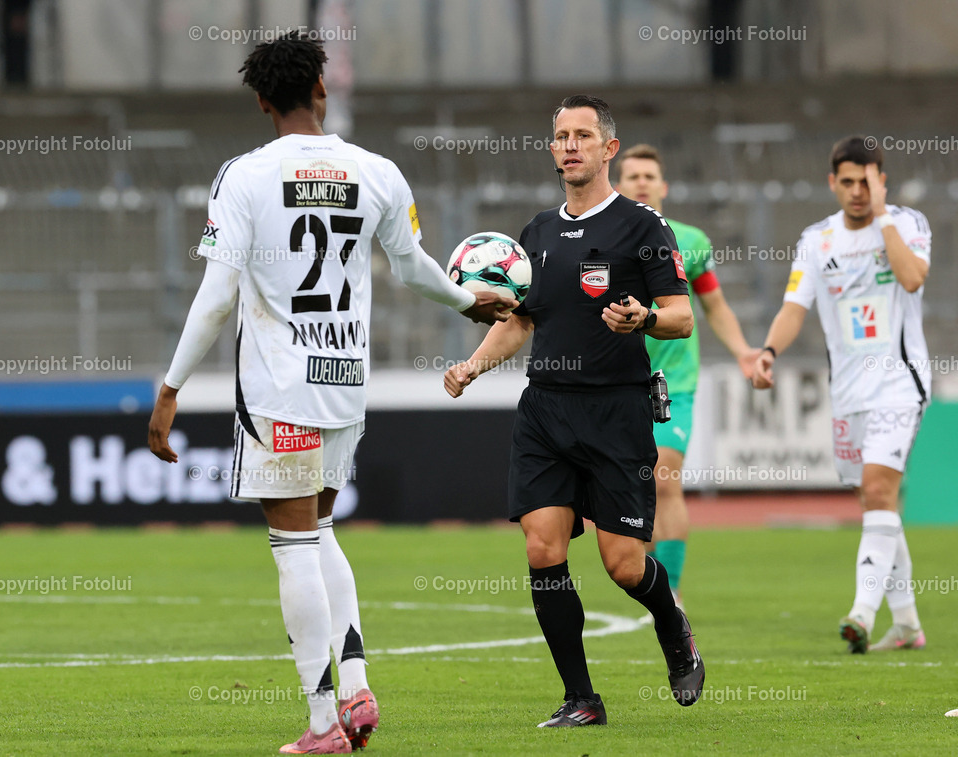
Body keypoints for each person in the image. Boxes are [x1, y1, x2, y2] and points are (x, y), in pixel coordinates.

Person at [147, 32, 512, 755]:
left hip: (280, 389)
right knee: (319, 531)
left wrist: (170, 386)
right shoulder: (376, 171)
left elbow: (218, 296)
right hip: (345, 382)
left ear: (260, 101)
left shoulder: (243, 177)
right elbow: (414, 269)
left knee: (291, 547)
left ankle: (322, 728)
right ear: (321, 88)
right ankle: (355, 684)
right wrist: (469, 300)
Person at [444, 95, 705, 727]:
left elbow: (682, 315)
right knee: (541, 549)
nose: (569, 145)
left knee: (622, 564)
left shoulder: (644, 227)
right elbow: (521, 321)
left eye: (582, 136)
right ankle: (581, 698)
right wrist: (474, 365)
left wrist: (644, 316)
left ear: (608, 148)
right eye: (561, 136)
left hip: (616, 413)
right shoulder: (535, 235)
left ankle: (672, 623)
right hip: (545, 412)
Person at [752, 136, 930, 654]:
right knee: (876, 502)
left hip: (900, 383)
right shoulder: (817, 240)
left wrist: (883, 219)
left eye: (867, 181)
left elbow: (913, 278)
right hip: (848, 392)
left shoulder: (908, 224)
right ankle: (908, 625)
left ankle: (861, 614)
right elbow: (793, 308)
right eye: (848, 181)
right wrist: (768, 351)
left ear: (882, 180)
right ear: (833, 182)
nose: (857, 191)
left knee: (878, 491)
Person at [615, 145, 760, 618]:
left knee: (664, 478)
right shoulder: (605, 238)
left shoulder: (691, 240)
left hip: (670, 382)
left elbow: (714, 306)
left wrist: (742, 352)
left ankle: (670, 591)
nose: (641, 182)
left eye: (649, 175)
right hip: (614, 384)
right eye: (632, 175)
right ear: (617, 183)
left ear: (663, 186)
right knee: (627, 489)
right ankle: (651, 579)